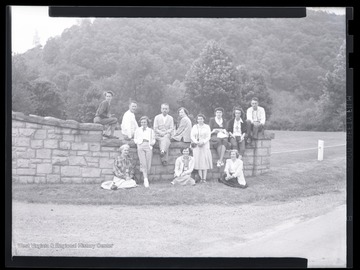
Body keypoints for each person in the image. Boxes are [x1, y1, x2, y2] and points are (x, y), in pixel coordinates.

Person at [133, 116, 156, 188]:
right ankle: (146, 180)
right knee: (143, 163)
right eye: (142, 122)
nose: (143, 123)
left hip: (148, 146)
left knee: (148, 163)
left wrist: (152, 143)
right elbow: (135, 138)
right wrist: (138, 144)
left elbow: (153, 139)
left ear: (147, 123)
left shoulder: (151, 130)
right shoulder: (137, 130)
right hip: (141, 146)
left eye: (145, 122)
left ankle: (145, 177)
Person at [191, 114, 213, 183]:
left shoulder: (207, 127)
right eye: (198, 119)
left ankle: (204, 178)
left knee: (204, 161)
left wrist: (203, 142)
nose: (200, 120)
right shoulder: (194, 126)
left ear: (203, 119)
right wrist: (197, 142)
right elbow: (192, 136)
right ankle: (200, 178)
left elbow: (208, 136)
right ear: (197, 120)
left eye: (201, 119)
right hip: (197, 146)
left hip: (205, 145)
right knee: (198, 161)